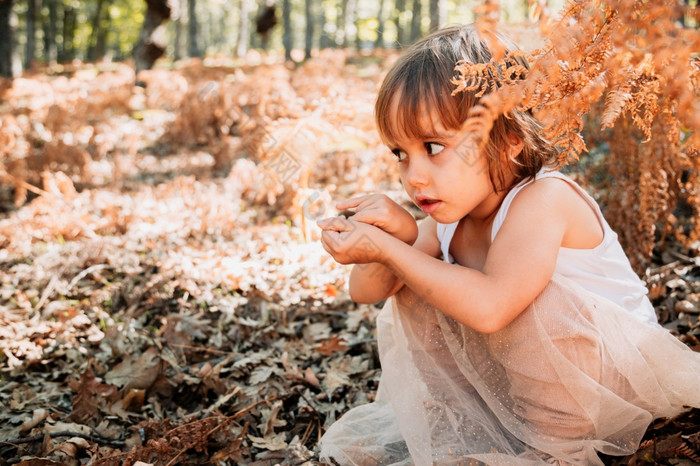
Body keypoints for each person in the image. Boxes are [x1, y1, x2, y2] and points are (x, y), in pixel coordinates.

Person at [316, 24, 700, 465]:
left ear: (509, 140)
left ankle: (555, 449)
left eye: (433, 146)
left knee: (532, 302)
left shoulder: (544, 198)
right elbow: (366, 292)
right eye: (400, 154)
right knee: (413, 281)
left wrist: (393, 251)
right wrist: (397, 237)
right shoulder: (450, 216)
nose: (413, 175)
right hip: (526, 393)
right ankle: (470, 424)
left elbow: (492, 307)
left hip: (610, 382)